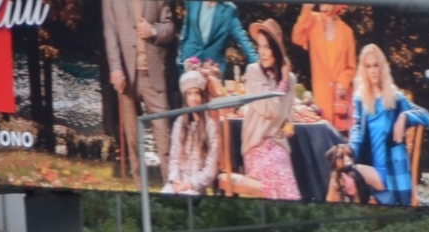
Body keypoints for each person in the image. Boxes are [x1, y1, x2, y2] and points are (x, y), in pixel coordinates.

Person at [221, 18, 299, 199]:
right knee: (275, 169)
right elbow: (271, 110)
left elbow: (285, 113)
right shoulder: (253, 72)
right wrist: (283, 83)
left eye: (268, 47)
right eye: (260, 46)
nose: (262, 53)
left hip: (278, 145)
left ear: (277, 51)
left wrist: (289, 122)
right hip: (255, 146)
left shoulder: (291, 79)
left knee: (282, 170)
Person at [344, 44, 429, 208]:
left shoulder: (395, 97)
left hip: (393, 175)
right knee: (344, 171)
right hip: (373, 170)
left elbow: (426, 116)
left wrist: (404, 117)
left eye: (376, 65)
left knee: (351, 175)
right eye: (368, 66)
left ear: (382, 67)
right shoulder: (361, 99)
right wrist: (351, 148)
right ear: (364, 70)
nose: (373, 71)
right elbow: (356, 130)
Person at [100, 0, 174, 177]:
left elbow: (169, 28)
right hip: (126, 76)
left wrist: (153, 30)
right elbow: (110, 34)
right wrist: (116, 68)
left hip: (153, 75)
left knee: (164, 138)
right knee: (133, 142)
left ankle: (172, 191)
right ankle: (139, 193)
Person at [291, 3, 356, 136]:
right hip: (321, 100)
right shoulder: (313, 20)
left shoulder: (347, 31)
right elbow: (296, 37)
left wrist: (342, 82)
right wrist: (306, 8)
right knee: (321, 143)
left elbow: (352, 67)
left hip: (341, 103)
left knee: (340, 145)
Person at [161, 64, 220, 195]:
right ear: (185, 97)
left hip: (195, 186)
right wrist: (175, 181)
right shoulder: (179, 123)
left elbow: (210, 168)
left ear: (202, 96)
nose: (193, 98)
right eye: (189, 94)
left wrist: (190, 184)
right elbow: (174, 159)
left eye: (197, 94)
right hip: (178, 183)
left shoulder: (210, 126)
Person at [176, 0, 256, 83]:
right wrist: (180, 60)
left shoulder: (228, 10)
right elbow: (185, 32)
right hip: (190, 66)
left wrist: (258, 65)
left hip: (213, 71)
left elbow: (243, 39)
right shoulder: (193, 2)